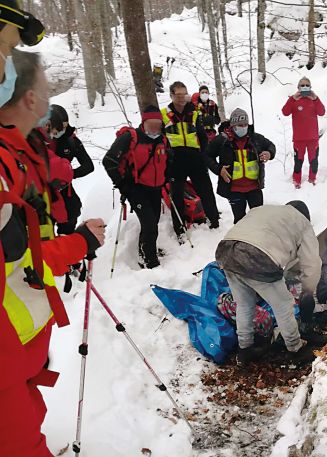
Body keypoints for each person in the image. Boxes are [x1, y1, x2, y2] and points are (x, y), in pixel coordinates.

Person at [0, 49, 106, 457]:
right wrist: (80, 244)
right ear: (29, 98)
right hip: (5, 352)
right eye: (46, 87)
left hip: (24, 340)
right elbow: (20, 258)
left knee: (31, 417)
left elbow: (24, 251)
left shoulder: (22, 152)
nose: (51, 96)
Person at [215, 201, 321, 365]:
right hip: (256, 256)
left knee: (244, 303)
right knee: (284, 304)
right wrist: (307, 290)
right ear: (305, 216)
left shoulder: (265, 209)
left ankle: (245, 349)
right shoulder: (302, 223)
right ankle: (296, 349)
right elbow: (312, 263)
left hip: (227, 251)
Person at [103, 106, 171, 269]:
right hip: (136, 189)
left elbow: (168, 160)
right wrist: (123, 185)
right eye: (151, 124)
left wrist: (167, 177)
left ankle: (146, 249)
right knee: (149, 224)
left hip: (155, 188)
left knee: (152, 221)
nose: (154, 128)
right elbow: (109, 161)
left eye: (157, 124)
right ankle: (150, 260)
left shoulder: (162, 140)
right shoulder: (130, 138)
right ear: (143, 122)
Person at [161, 81, 220, 238]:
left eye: (184, 94)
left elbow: (202, 137)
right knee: (177, 196)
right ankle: (180, 230)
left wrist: (204, 155)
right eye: (178, 95)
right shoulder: (164, 114)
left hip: (195, 158)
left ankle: (214, 221)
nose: (181, 98)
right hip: (175, 161)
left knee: (206, 191)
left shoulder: (194, 113)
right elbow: (160, 138)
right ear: (172, 95)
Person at [206, 108, 275, 224]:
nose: (243, 127)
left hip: (254, 187)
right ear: (232, 125)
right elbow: (207, 156)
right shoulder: (223, 140)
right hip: (234, 189)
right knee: (240, 222)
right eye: (239, 125)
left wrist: (269, 153)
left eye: (245, 124)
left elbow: (271, 146)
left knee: (259, 220)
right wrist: (219, 170)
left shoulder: (255, 138)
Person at [44, 104, 93, 234]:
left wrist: (69, 176)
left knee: (67, 230)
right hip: (43, 194)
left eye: (66, 126)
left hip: (66, 194)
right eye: (60, 126)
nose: (63, 130)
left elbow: (88, 166)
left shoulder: (71, 140)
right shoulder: (36, 140)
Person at [281, 76, 325, 188]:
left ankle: (312, 179)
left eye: (307, 85)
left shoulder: (314, 100)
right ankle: (296, 181)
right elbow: (285, 112)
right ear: (298, 87)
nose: (305, 87)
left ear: (310, 87)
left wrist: (316, 99)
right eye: (302, 85)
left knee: (314, 161)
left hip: (313, 139)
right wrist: (292, 99)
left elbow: (322, 112)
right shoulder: (294, 101)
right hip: (299, 139)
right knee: (298, 161)